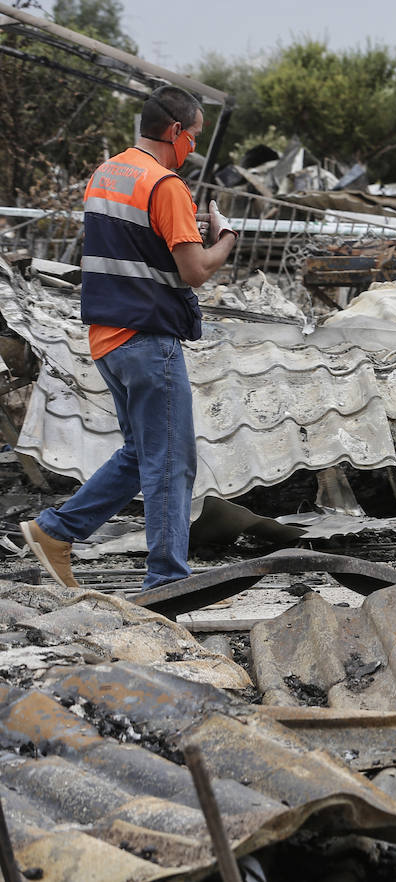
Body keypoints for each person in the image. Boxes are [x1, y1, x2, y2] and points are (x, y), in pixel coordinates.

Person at [21, 85, 238, 590]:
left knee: (142, 455)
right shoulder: (166, 186)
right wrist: (226, 237)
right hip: (147, 340)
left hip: (108, 340)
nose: (193, 150)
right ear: (177, 132)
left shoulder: (108, 173)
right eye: (194, 138)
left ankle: (54, 531)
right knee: (172, 464)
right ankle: (166, 581)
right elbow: (195, 271)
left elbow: (133, 247)